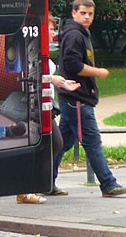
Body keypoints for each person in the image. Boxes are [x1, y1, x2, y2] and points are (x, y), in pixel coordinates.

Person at [52, 0, 126, 197]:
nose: (87, 17)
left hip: (76, 98)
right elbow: (72, 65)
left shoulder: (81, 34)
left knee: (62, 144)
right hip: (76, 98)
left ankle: (44, 182)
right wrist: (98, 72)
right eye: (83, 13)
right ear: (74, 13)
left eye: (90, 14)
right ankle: (108, 184)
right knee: (92, 141)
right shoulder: (74, 36)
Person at [18, 57, 80, 203]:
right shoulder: (32, 46)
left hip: (45, 103)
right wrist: (51, 79)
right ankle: (27, 187)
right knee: (54, 143)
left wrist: (62, 83)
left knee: (53, 144)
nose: (53, 32)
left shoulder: (43, 49)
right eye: (52, 31)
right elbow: (27, 74)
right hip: (35, 102)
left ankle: (32, 185)